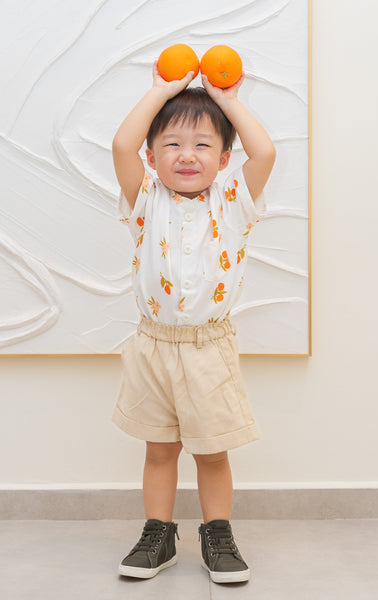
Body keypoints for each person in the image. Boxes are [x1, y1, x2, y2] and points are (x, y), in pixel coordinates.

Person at [111, 57, 276, 584]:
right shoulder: (144, 201)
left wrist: (225, 99)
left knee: (212, 451)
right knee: (159, 448)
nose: (187, 155)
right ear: (152, 157)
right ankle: (157, 533)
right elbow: (120, 145)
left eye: (203, 145)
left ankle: (218, 534)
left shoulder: (233, 202)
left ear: (224, 158)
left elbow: (266, 151)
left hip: (210, 348)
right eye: (172, 145)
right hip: (154, 345)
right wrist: (164, 92)